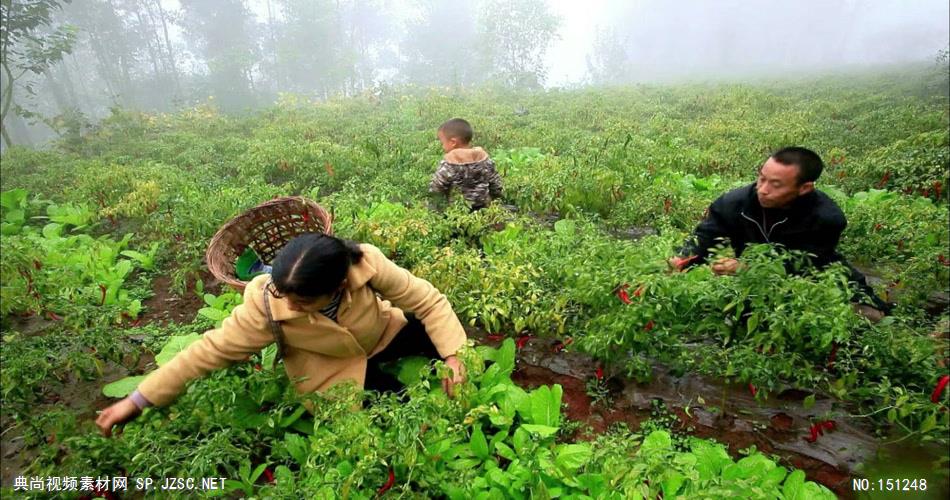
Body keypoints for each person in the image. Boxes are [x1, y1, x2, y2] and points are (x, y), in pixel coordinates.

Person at [96, 233, 468, 437]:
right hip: (334, 368)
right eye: (282, 293)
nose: (290, 304)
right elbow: (208, 352)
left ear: (339, 285)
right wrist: (138, 400)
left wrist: (454, 356)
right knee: (398, 411)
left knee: (444, 341)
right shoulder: (265, 303)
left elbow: (429, 301)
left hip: (383, 333)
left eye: (303, 300)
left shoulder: (364, 262)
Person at [668, 146, 890, 320]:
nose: (763, 190)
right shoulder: (734, 203)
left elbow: (807, 266)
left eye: (775, 184)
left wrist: (748, 269)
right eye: (761, 178)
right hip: (757, 286)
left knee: (867, 317)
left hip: (818, 280)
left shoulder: (826, 218)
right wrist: (683, 258)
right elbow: (704, 238)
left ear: (804, 188)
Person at [429, 118, 503, 211]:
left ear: (453, 142)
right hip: (484, 208)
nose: (442, 146)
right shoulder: (483, 159)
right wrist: (496, 199)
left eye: (442, 142)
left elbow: (437, 187)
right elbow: (495, 183)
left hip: (458, 211)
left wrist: (435, 207)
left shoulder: (449, 163)